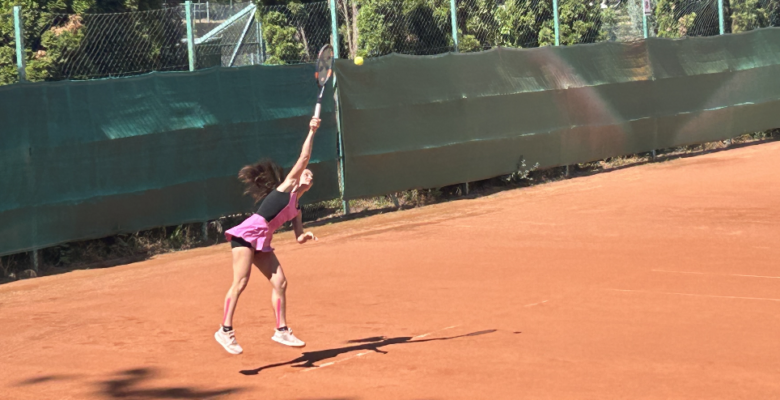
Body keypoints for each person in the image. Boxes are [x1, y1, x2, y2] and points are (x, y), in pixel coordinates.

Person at [214, 117, 320, 355]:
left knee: (280, 282)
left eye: (311, 177)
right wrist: (312, 131)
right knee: (240, 282)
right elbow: (304, 157)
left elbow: (298, 236)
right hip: (248, 233)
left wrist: (305, 236)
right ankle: (225, 330)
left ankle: (281, 330)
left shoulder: (297, 209)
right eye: (306, 173)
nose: (308, 176)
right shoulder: (286, 187)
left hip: (263, 240)